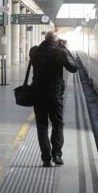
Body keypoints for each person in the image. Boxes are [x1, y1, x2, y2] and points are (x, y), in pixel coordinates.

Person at [29, 31, 77, 167]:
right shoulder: (60, 52)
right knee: (57, 123)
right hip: (54, 95)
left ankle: (45, 158)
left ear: (45, 39)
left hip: (38, 95)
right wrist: (65, 48)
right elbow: (74, 67)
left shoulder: (34, 51)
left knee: (42, 125)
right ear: (56, 40)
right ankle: (56, 155)